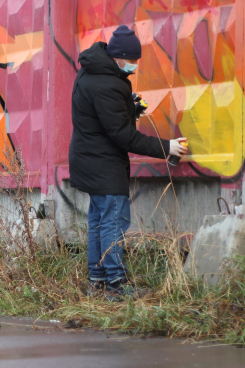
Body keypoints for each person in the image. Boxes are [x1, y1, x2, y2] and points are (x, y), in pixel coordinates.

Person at [69, 25, 188, 300]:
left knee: (98, 223)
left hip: (89, 159)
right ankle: (117, 286)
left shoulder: (91, 71)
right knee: (113, 222)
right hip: (103, 165)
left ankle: (97, 284)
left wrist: (129, 108)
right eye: (132, 61)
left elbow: (102, 118)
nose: (134, 66)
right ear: (119, 57)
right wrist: (166, 147)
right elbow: (123, 135)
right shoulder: (108, 83)